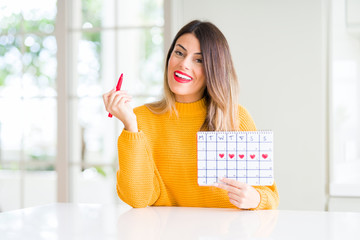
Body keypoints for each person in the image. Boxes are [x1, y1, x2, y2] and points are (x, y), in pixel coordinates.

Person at [103, 20, 279, 210]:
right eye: (179, 53)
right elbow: (137, 198)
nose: (184, 64)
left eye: (199, 60)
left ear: (214, 70)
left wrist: (256, 199)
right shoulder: (141, 120)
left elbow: (270, 196)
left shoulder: (236, 117)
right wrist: (130, 126)